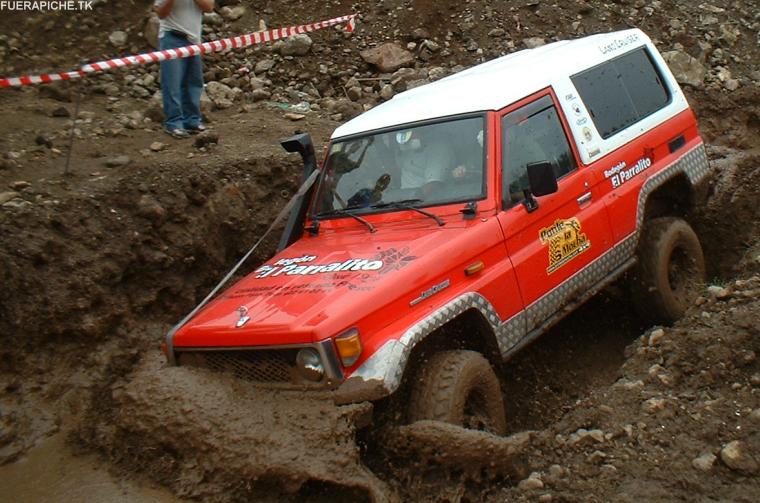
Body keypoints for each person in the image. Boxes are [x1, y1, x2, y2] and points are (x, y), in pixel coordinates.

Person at [154, 0, 215, 138]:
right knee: (172, 82)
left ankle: (192, 120)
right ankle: (173, 123)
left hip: (193, 39)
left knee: (193, 82)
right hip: (172, 36)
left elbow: (209, 7)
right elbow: (160, 13)